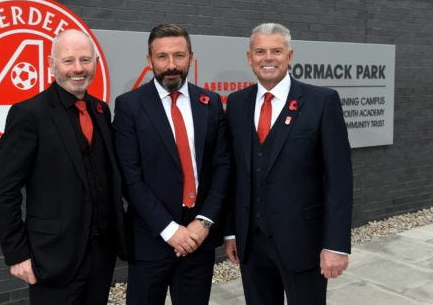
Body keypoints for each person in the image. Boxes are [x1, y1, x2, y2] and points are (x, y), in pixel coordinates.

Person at [0, 29, 127, 304]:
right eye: (69, 61)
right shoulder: (28, 114)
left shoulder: (100, 110)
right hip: (52, 257)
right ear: (51, 64)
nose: (78, 69)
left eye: (85, 60)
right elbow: (4, 190)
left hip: (101, 256)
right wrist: (17, 254)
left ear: (96, 63)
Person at [224, 23, 353, 305]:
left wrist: (336, 245)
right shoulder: (236, 104)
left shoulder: (322, 101)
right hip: (251, 243)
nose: (267, 58)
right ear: (249, 57)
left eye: (276, 51)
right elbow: (234, 173)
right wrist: (232, 231)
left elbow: (339, 179)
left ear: (290, 55)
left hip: (303, 243)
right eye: (260, 51)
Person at [113, 23, 230, 305]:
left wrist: (204, 222)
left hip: (198, 241)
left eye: (179, 55)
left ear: (191, 56)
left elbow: (223, 166)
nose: (171, 65)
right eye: (162, 57)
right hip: (151, 240)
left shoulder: (210, 102)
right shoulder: (130, 106)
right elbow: (130, 177)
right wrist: (170, 230)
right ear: (149, 60)